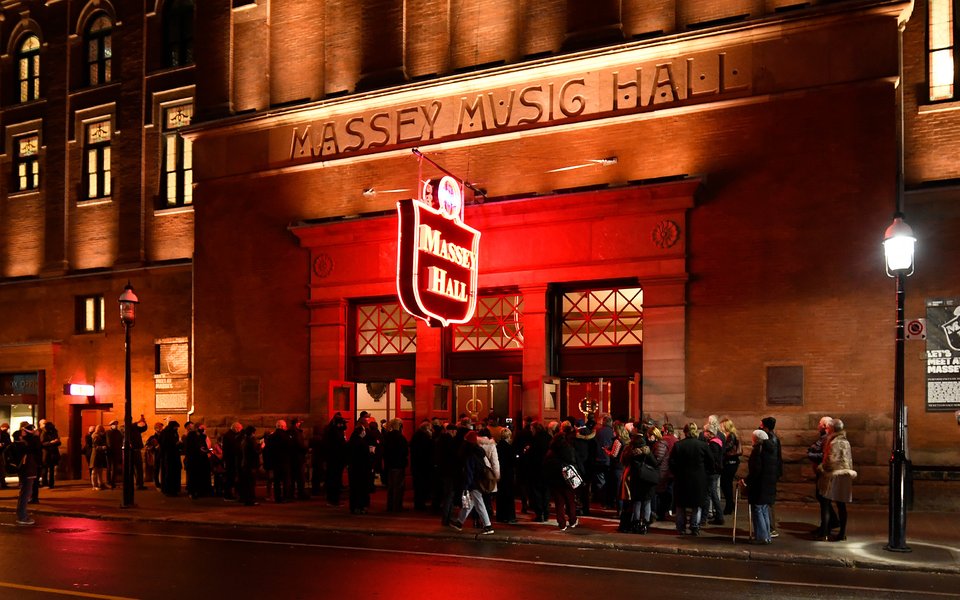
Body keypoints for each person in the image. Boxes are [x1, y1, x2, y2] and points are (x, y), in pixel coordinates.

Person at [669, 422, 714, 536]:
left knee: (680, 505)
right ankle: (695, 527)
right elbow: (711, 463)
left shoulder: (678, 445)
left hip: (682, 479)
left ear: (685, 432)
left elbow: (671, 462)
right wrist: (705, 473)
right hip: (698, 479)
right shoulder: (703, 445)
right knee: (696, 505)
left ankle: (681, 528)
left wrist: (676, 473)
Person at [817, 418, 856, 542]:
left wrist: (822, 468)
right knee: (841, 505)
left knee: (826, 503)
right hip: (846, 475)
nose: (826, 430)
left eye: (828, 428)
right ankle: (842, 533)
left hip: (833, 475)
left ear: (832, 429)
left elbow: (829, 460)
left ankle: (824, 534)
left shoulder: (833, 442)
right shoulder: (846, 442)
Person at [449, 431, 495, 535]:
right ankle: (459, 522)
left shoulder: (469, 455)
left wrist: (466, 486)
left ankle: (488, 526)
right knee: (469, 503)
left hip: (474, 483)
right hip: (479, 480)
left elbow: (469, 472)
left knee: (479, 504)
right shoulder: (479, 452)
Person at [808, 416, 840, 537]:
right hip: (823, 472)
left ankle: (827, 527)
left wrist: (810, 454)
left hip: (824, 473)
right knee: (822, 498)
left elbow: (823, 454)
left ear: (825, 426)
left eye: (820, 424)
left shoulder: (827, 438)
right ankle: (830, 523)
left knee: (823, 499)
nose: (818, 426)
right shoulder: (827, 438)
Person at [544, 422, 579, 531]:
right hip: (567, 477)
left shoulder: (551, 451)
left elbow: (546, 464)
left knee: (559, 502)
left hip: (555, 479)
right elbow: (573, 462)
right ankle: (572, 520)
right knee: (570, 501)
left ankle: (561, 523)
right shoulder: (569, 449)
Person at [746, 429, 777, 544]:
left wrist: (746, 480)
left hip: (759, 485)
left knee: (758, 509)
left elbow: (755, 470)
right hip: (768, 484)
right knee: (763, 509)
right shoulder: (771, 449)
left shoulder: (758, 450)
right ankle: (766, 536)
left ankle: (762, 537)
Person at [15, 422, 42, 526]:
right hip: (27, 471)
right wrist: (33, 436)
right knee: (25, 494)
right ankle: (22, 516)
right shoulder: (24, 443)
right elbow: (36, 448)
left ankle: (21, 514)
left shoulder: (26, 442)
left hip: (29, 471)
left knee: (25, 493)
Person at [760, 416, 783, 537]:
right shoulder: (775, 438)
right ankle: (770, 527)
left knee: (767, 502)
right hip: (773, 474)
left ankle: (770, 528)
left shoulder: (769, 440)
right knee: (769, 501)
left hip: (768, 475)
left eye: (762, 425)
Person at [382, 418, 409, 512]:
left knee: (391, 487)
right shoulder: (400, 438)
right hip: (398, 464)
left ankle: (390, 506)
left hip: (390, 464)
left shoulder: (387, 437)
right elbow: (405, 451)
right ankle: (397, 506)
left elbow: (384, 451)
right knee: (398, 487)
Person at [347, 421, 372, 514]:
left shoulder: (351, 442)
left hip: (353, 468)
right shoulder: (362, 443)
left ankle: (354, 507)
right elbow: (366, 457)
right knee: (362, 489)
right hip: (362, 469)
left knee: (354, 489)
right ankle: (361, 506)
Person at [323, 413, 348, 506]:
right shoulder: (335, 432)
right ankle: (334, 500)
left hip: (332, 459)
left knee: (333, 479)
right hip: (336, 459)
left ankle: (332, 499)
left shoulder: (330, 430)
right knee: (335, 480)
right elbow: (340, 445)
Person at [410, 419, 434, 511]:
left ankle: (418, 503)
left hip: (416, 465)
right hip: (423, 466)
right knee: (422, 486)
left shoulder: (415, 436)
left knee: (417, 486)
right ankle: (420, 504)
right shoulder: (425, 437)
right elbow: (428, 450)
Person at [264, 420, 291, 503]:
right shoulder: (286, 436)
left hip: (275, 462)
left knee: (277, 481)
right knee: (286, 480)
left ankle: (277, 497)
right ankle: (286, 497)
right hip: (285, 461)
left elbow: (267, 449)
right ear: (283, 427)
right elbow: (290, 449)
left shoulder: (272, 437)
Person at [720, 417, 742, 515]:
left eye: (722, 425)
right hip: (730, 462)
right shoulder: (730, 435)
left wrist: (719, 445)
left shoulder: (731, 435)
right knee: (726, 484)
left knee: (726, 484)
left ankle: (729, 506)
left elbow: (727, 448)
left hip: (731, 463)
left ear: (726, 426)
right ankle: (730, 504)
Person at [495, 428, 518, 524]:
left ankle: (500, 515)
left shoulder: (497, 446)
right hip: (508, 473)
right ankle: (509, 516)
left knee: (500, 495)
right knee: (509, 495)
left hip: (500, 472)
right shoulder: (509, 447)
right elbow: (513, 461)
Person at [158, 421, 183, 496]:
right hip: (169, 456)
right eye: (176, 427)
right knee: (169, 472)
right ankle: (169, 490)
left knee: (174, 472)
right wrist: (175, 444)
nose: (176, 428)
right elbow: (165, 443)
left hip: (174, 455)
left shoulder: (173, 432)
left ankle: (174, 489)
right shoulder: (166, 433)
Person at [238, 425, 261, 506]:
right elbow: (255, 452)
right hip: (251, 465)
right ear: (252, 432)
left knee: (247, 483)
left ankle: (247, 499)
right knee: (251, 483)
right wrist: (261, 447)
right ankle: (250, 500)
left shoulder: (244, 440)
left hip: (245, 464)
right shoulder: (251, 441)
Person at [221, 421, 243, 501]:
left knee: (230, 478)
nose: (241, 430)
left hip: (230, 459)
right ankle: (228, 495)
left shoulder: (229, 435)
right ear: (236, 428)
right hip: (231, 460)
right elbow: (233, 448)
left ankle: (229, 494)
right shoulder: (230, 436)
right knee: (230, 478)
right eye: (240, 429)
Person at [290, 418, 309, 500]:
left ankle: (292, 493)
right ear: (297, 423)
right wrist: (306, 449)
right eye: (300, 423)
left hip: (293, 457)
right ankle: (301, 493)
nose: (300, 424)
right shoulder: (296, 432)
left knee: (293, 477)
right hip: (298, 458)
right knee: (300, 477)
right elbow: (299, 444)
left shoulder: (290, 431)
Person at [129, 415, 149, 490]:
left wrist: (144, 422)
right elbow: (130, 426)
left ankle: (139, 484)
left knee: (139, 468)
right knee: (131, 469)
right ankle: (131, 484)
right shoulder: (127, 427)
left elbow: (143, 428)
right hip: (131, 451)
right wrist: (139, 421)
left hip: (137, 450)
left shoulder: (135, 428)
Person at [39, 421, 61, 488]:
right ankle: (45, 483)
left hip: (52, 453)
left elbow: (59, 442)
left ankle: (51, 484)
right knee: (45, 468)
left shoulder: (54, 432)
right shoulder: (44, 433)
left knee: (51, 469)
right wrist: (51, 442)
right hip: (47, 453)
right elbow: (42, 443)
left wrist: (56, 442)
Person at [144, 422, 163, 489]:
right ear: (156, 428)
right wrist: (154, 447)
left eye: (161, 427)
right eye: (159, 427)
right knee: (156, 469)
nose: (161, 428)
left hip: (163, 455)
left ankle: (163, 482)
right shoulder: (152, 437)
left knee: (163, 469)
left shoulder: (163, 436)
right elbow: (147, 446)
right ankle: (157, 483)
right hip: (156, 455)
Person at [105, 420, 124, 488]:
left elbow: (121, 440)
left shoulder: (118, 432)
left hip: (116, 452)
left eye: (116, 424)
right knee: (109, 467)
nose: (115, 425)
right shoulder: (108, 432)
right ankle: (108, 481)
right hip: (110, 452)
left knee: (114, 468)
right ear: (111, 425)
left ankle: (113, 482)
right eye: (114, 424)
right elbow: (109, 442)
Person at [91, 424, 109, 490]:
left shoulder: (100, 436)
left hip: (100, 455)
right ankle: (94, 485)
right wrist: (102, 447)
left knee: (100, 471)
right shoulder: (95, 436)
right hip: (96, 455)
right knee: (95, 471)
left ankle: (100, 483)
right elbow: (95, 447)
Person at [1, 422, 13, 489]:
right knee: (2, 469)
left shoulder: (5, 434)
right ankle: (3, 483)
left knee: (2, 469)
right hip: (3, 452)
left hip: (4, 452)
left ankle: (3, 482)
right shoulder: (4, 434)